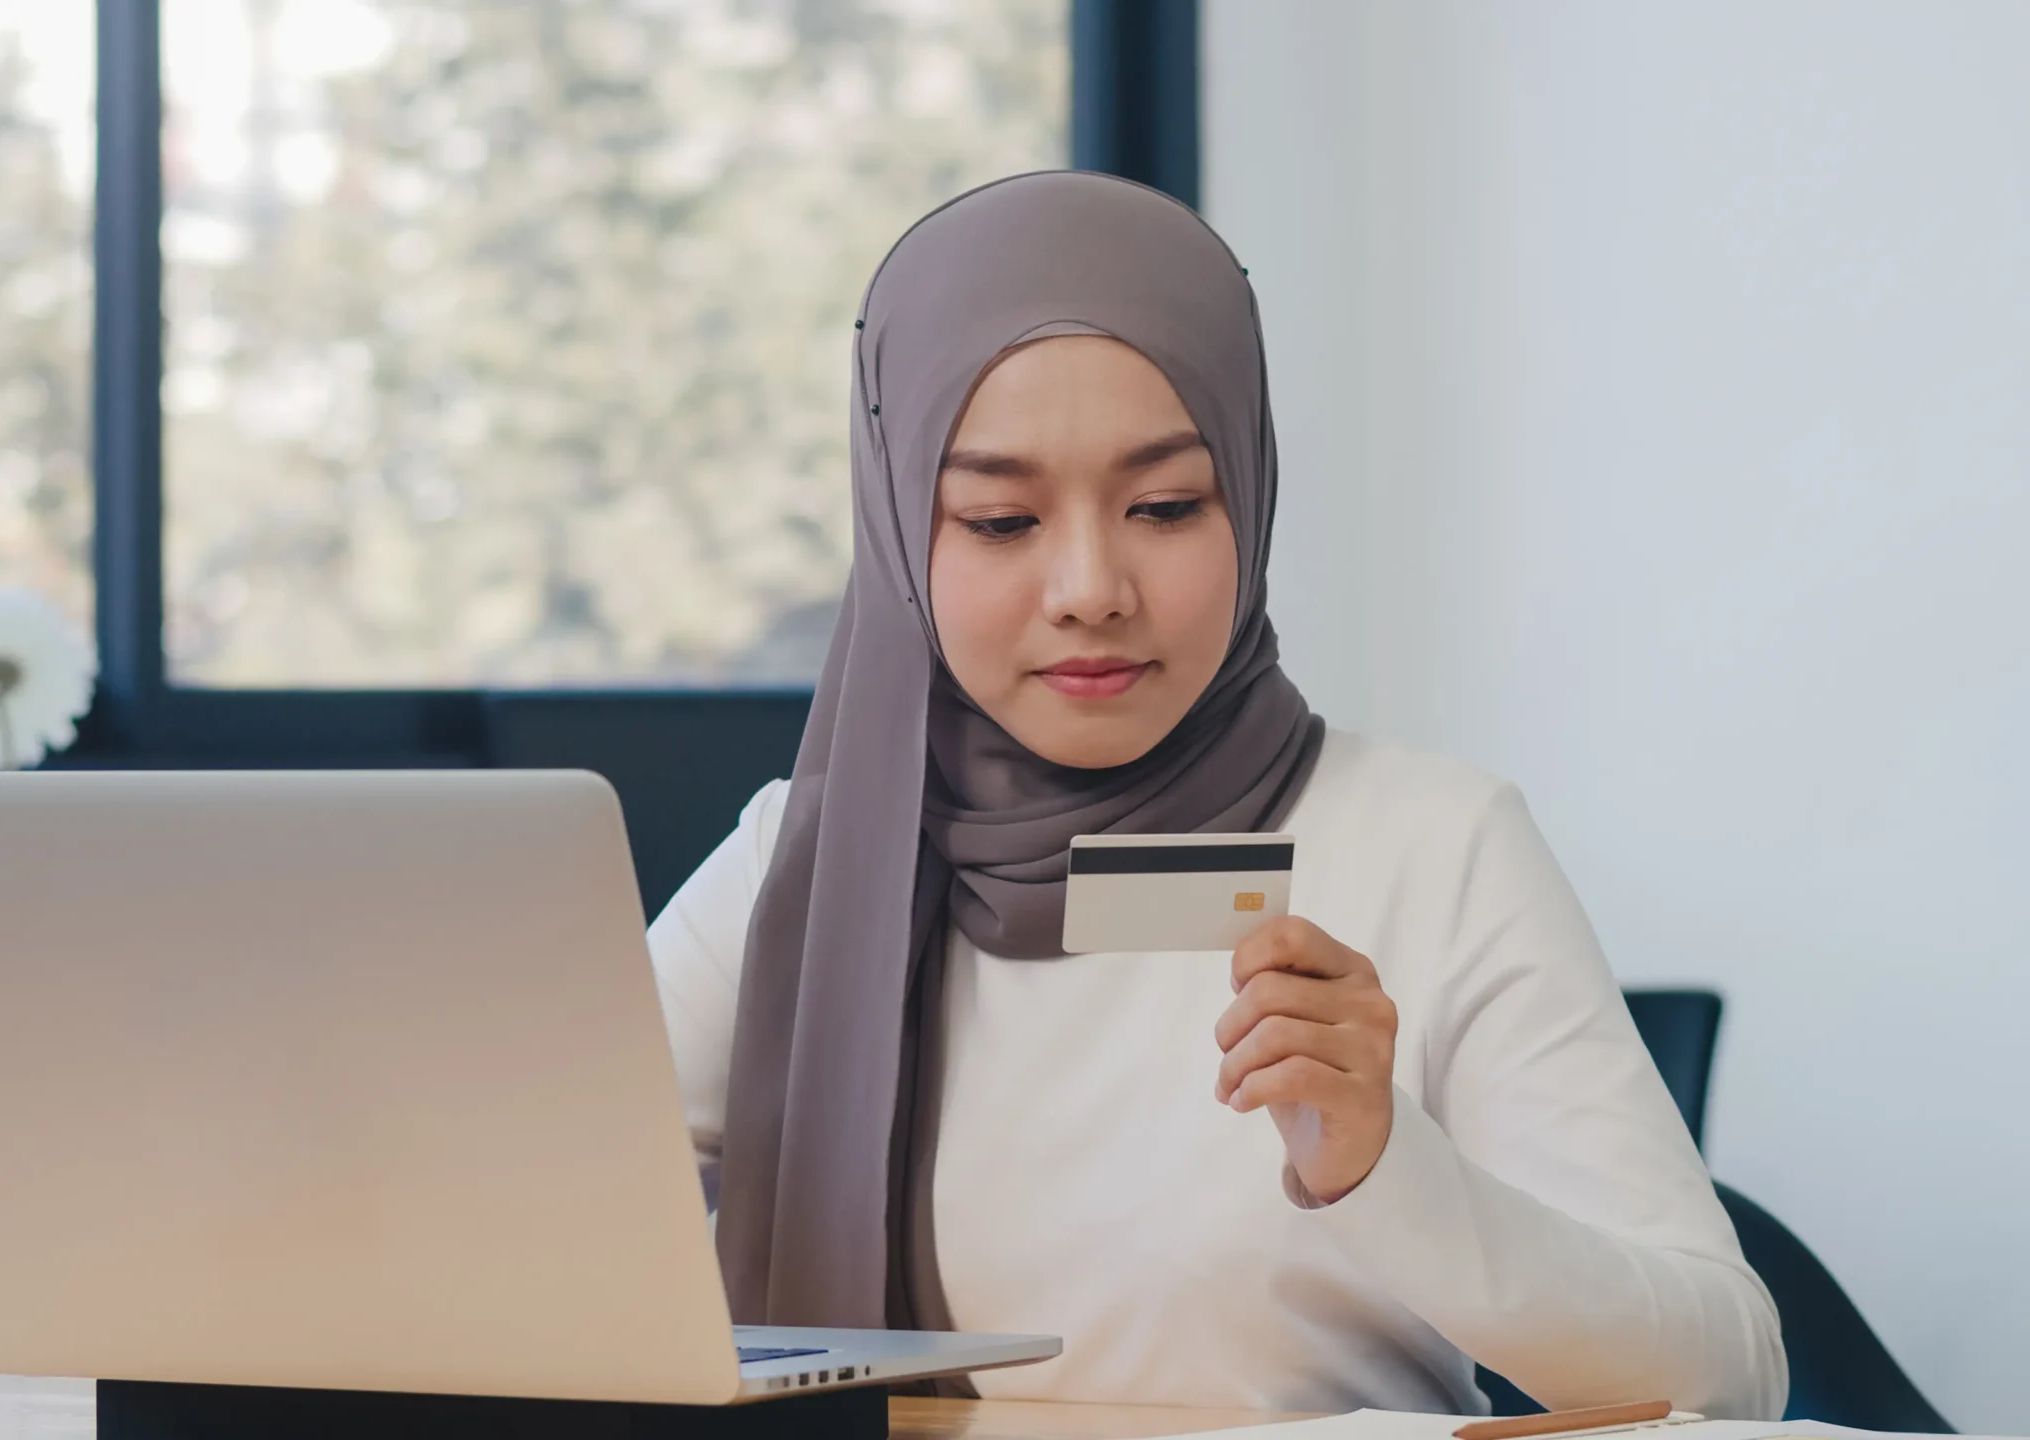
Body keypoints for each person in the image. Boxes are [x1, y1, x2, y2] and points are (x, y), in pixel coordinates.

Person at [645, 171, 1786, 1417]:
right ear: (896, 532)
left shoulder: (1432, 843)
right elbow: (497, 1212)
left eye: (1165, 506)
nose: (1089, 586)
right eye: (1000, 519)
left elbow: (1726, 1377)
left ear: (1246, 489)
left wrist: (1386, 1166)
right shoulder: (804, 864)